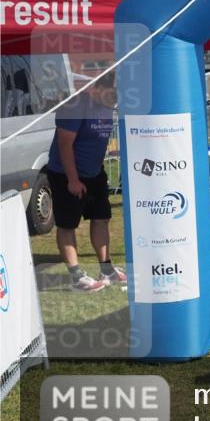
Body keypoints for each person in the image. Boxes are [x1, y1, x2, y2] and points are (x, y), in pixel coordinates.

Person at [46, 72, 125, 292]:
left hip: (94, 174)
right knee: (68, 224)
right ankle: (77, 276)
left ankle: (106, 268)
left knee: (101, 218)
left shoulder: (108, 106)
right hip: (66, 174)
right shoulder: (75, 105)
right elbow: (64, 145)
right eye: (113, 92)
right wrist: (73, 179)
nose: (116, 97)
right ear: (97, 88)